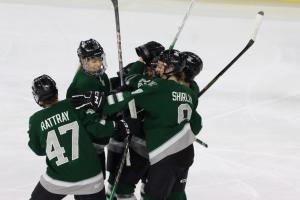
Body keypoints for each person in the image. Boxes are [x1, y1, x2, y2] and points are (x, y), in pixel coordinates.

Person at [74, 49, 203, 200]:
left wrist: (99, 102)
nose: (157, 68)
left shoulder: (159, 86)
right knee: (176, 195)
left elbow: (129, 96)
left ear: (173, 69)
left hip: (165, 155)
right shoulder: (190, 94)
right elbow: (197, 124)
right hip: (186, 154)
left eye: (162, 66)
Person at [28, 74, 136, 200]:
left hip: (59, 179)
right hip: (90, 178)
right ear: (55, 92)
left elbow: (38, 150)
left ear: (37, 98)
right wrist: (122, 126)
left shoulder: (35, 120)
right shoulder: (73, 104)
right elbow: (99, 128)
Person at [106, 41, 165, 200]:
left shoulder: (160, 83)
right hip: (125, 141)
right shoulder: (133, 73)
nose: (154, 69)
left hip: (146, 144)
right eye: (150, 65)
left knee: (141, 185)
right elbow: (115, 90)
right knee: (114, 183)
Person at [66, 38, 111, 179]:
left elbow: (106, 101)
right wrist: (114, 126)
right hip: (87, 143)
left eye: (99, 59)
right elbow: (89, 120)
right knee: (90, 184)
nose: (98, 63)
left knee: (97, 183)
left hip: (97, 141)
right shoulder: (84, 82)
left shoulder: (101, 76)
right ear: (84, 61)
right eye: (93, 60)